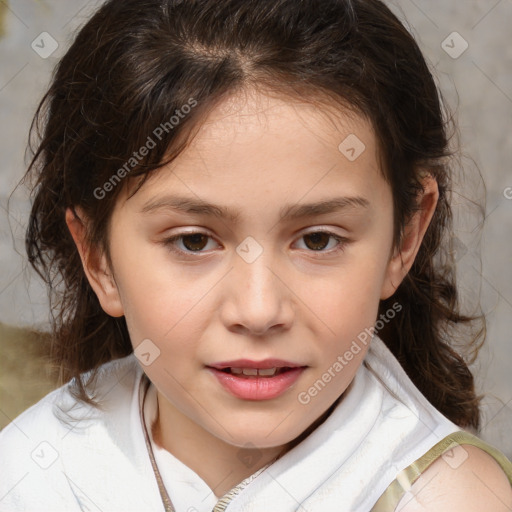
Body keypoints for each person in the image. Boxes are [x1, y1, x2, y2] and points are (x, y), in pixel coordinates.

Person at [1, 0, 511, 510]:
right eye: (193, 241)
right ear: (98, 258)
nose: (259, 310)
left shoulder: (449, 498)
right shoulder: (28, 472)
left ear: (404, 237)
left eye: (317, 240)